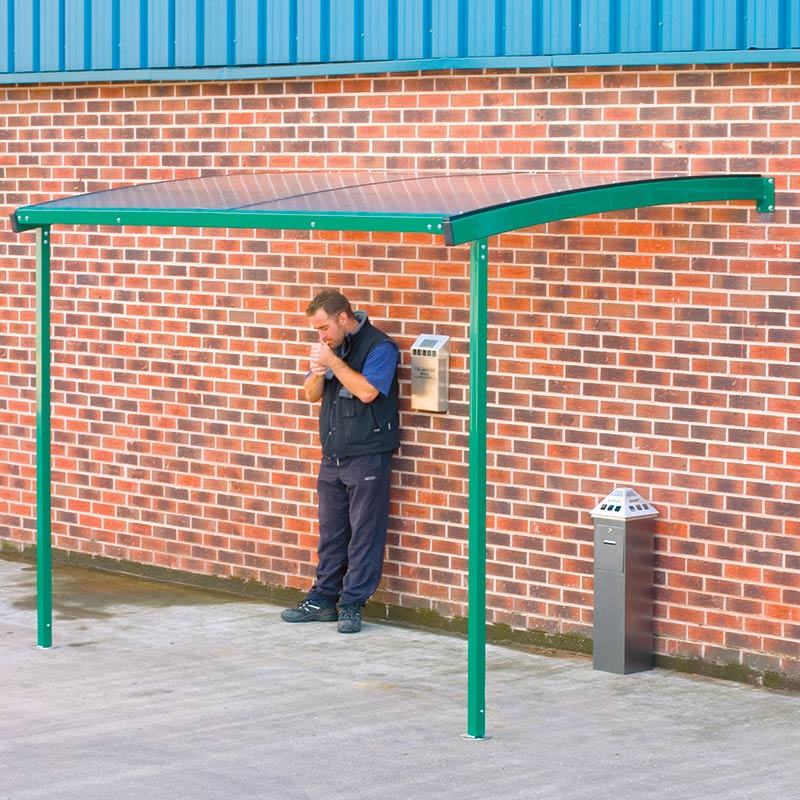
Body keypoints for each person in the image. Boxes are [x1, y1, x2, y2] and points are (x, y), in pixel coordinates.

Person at [281, 289, 400, 633]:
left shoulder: (380, 347)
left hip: (367, 455)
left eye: (324, 328)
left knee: (364, 534)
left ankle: (352, 604)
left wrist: (333, 362)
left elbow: (367, 392)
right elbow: (309, 395)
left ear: (344, 319)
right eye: (316, 331)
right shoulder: (332, 348)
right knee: (331, 533)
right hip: (332, 455)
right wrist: (319, 369)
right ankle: (322, 599)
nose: (321, 336)